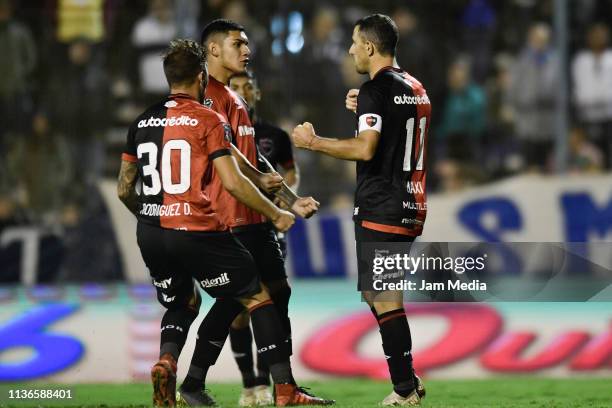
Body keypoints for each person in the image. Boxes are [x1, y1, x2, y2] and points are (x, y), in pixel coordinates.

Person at [116, 39, 321, 407]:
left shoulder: (142, 120)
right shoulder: (208, 118)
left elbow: (124, 188)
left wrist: (150, 217)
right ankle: (285, 392)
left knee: (184, 301)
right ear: (201, 75)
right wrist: (276, 212)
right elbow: (231, 180)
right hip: (196, 228)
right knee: (258, 295)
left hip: (150, 231)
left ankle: (169, 363)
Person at [175, 19, 330, 407]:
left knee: (264, 294)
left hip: (253, 213)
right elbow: (229, 162)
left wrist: (290, 199)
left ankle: (278, 385)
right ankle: (268, 387)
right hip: (229, 214)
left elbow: (252, 157)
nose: (246, 49)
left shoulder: (232, 95)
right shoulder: (206, 96)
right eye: (237, 43)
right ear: (213, 50)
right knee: (246, 298)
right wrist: (276, 204)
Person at [292, 14, 429, 406]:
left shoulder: (375, 89)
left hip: (382, 204)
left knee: (384, 296)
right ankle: (408, 380)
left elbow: (366, 148)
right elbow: (396, 130)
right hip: (410, 200)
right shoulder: (416, 87)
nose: (350, 49)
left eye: (354, 42)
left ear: (370, 47)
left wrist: (313, 141)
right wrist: (366, 106)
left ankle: (405, 389)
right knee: (375, 293)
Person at [228, 69, 300, 404]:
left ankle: (271, 382)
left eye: (247, 87)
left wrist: (287, 198)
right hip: (235, 224)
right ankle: (250, 383)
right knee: (239, 307)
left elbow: (290, 172)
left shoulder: (275, 135)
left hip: (267, 225)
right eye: (236, 88)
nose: (242, 92)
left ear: (257, 92)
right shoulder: (221, 128)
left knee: (270, 300)